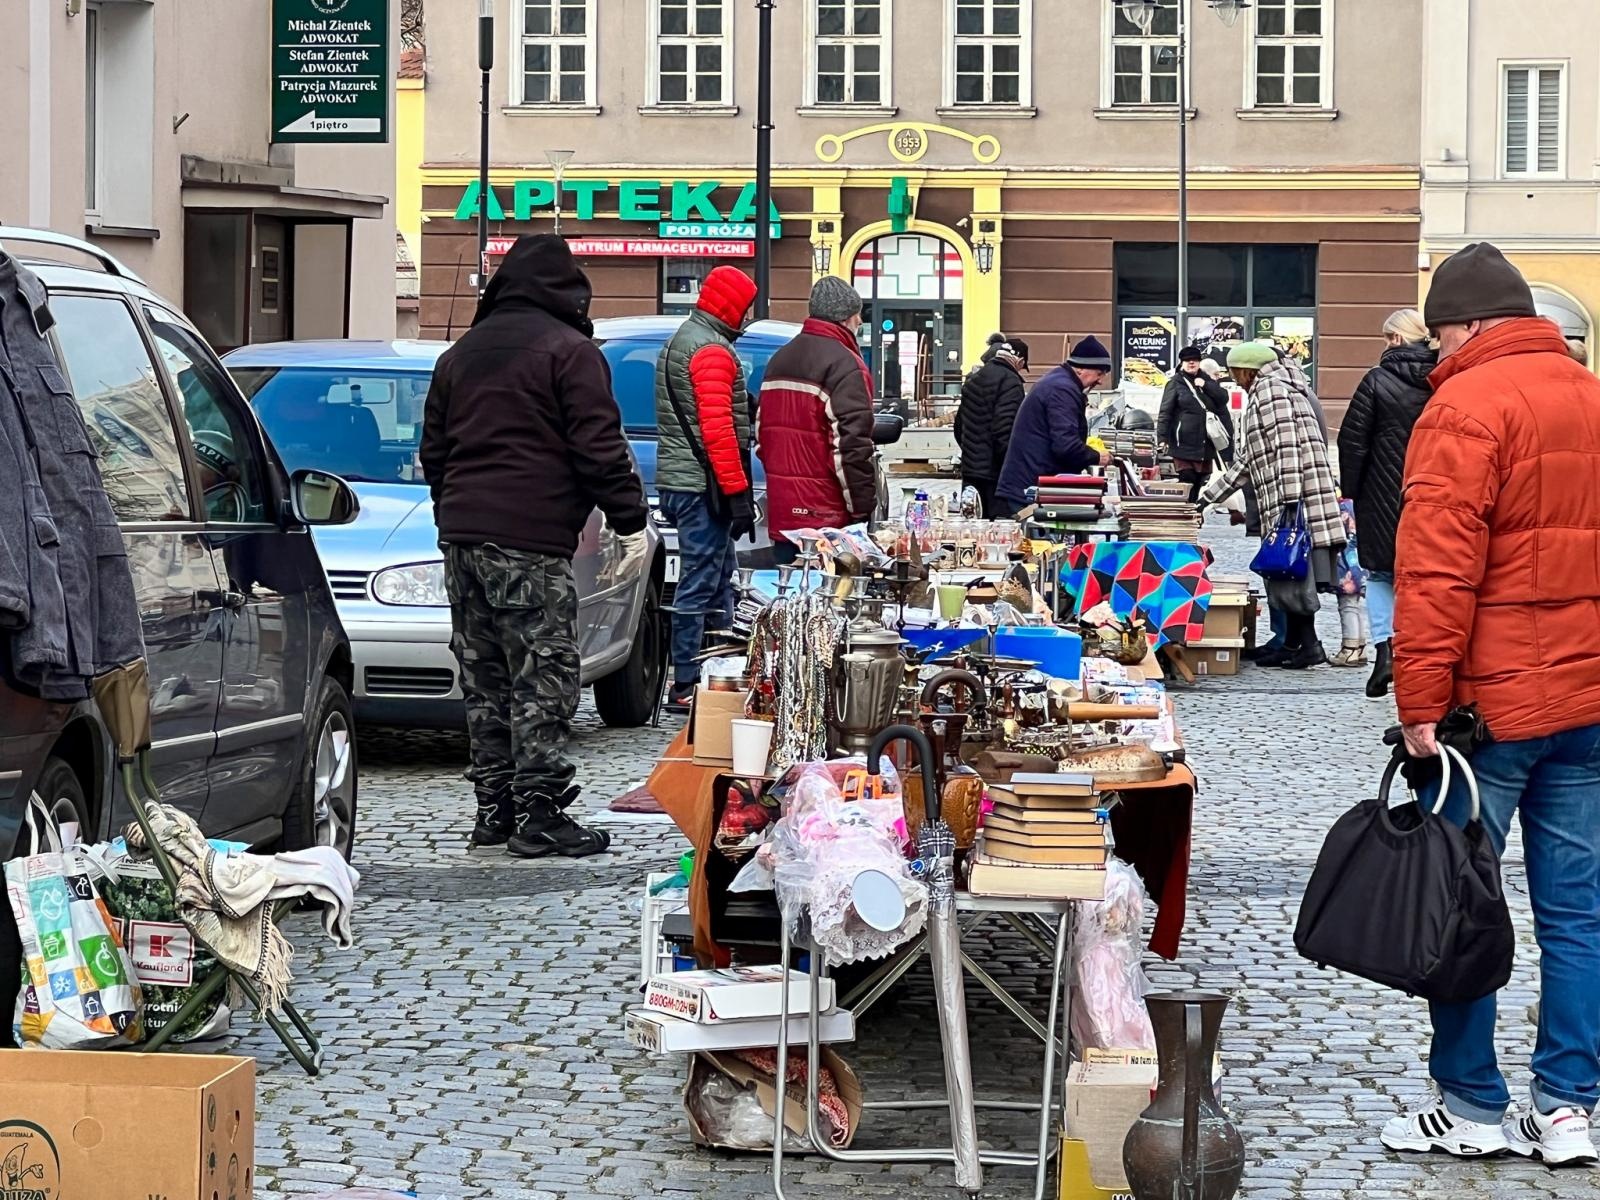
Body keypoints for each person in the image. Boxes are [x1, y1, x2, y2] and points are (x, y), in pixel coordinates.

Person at [1383, 242, 1600, 1167]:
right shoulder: (1592, 397)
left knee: (1458, 902)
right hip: (1587, 699)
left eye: (1441, 335)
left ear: (1465, 326)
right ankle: (1568, 1106)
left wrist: (1419, 701)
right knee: (1579, 910)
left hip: (1490, 709)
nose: (1436, 353)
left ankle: (1471, 1100)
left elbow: (1435, 572)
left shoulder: (1464, 406)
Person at [420, 234, 648, 858]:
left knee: (485, 677)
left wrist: (457, 514)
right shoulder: (570, 352)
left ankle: (492, 809)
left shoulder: (460, 355)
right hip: (530, 539)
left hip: (463, 539)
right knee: (543, 674)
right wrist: (631, 516)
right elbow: (598, 447)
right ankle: (540, 812)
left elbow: (433, 454)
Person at [1198, 342, 1342, 669]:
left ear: (1247, 370)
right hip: (1289, 497)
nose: (1236, 382)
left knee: (1292, 572)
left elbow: (1287, 447)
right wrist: (1209, 496)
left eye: (1236, 374)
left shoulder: (1272, 392)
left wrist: (1289, 504)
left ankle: (1308, 646)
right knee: (1287, 572)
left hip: (1291, 499)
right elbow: (1249, 460)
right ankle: (1292, 644)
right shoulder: (1280, 388)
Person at [654, 265, 759, 711]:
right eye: (746, 307)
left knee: (718, 579)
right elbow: (716, 432)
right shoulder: (711, 351)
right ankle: (687, 681)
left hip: (684, 480)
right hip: (702, 485)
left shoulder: (688, 338)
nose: (749, 316)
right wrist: (737, 494)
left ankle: (719, 673)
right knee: (701, 582)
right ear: (731, 306)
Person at [1336, 308, 1436, 699]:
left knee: (1380, 574)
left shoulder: (1376, 380)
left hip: (1380, 492)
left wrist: (1353, 489)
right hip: (1431, 490)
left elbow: (1352, 440)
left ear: (1394, 339)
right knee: (1428, 575)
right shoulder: (1443, 379)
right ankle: (1423, 657)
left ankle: (1385, 650)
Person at [757, 277, 877, 564]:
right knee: (834, 599)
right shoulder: (846, 365)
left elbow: (763, 435)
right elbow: (851, 447)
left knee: (789, 595)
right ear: (847, 317)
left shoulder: (780, 359)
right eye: (857, 314)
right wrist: (861, 508)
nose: (860, 321)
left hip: (785, 513)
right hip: (828, 516)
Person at [995, 336, 1114, 517]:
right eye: (1099, 373)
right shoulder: (1062, 390)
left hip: (1031, 482)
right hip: (1031, 488)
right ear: (1081, 368)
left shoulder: (1060, 383)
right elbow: (1066, 445)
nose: (1100, 381)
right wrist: (1097, 457)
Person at [954, 335, 1030, 518]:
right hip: (995, 473)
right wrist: (1011, 466)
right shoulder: (1010, 382)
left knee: (972, 526)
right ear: (1018, 359)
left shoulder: (974, 378)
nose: (1021, 369)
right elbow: (1005, 430)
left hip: (971, 469)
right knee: (997, 531)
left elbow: (959, 426)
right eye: (1023, 365)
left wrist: (970, 452)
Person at [1158, 345, 1235, 502]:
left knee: (1200, 479)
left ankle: (1193, 510)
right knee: (1187, 477)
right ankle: (1185, 512)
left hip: (1205, 442)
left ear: (1200, 362)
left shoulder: (1207, 380)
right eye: (1187, 361)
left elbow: (1222, 399)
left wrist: (1206, 385)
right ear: (1182, 363)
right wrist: (1162, 437)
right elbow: (1165, 411)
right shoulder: (1175, 383)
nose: (1191, 363)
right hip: (1183, 442)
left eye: (1194, 360)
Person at [1332, 498, 1369, 667]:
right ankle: (1360, 647)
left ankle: (1349, 649)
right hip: (1360, 563)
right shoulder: (1357, 504)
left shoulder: (1341, 508)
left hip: (1346, 565)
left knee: (1347, 605)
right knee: (1355, 606)